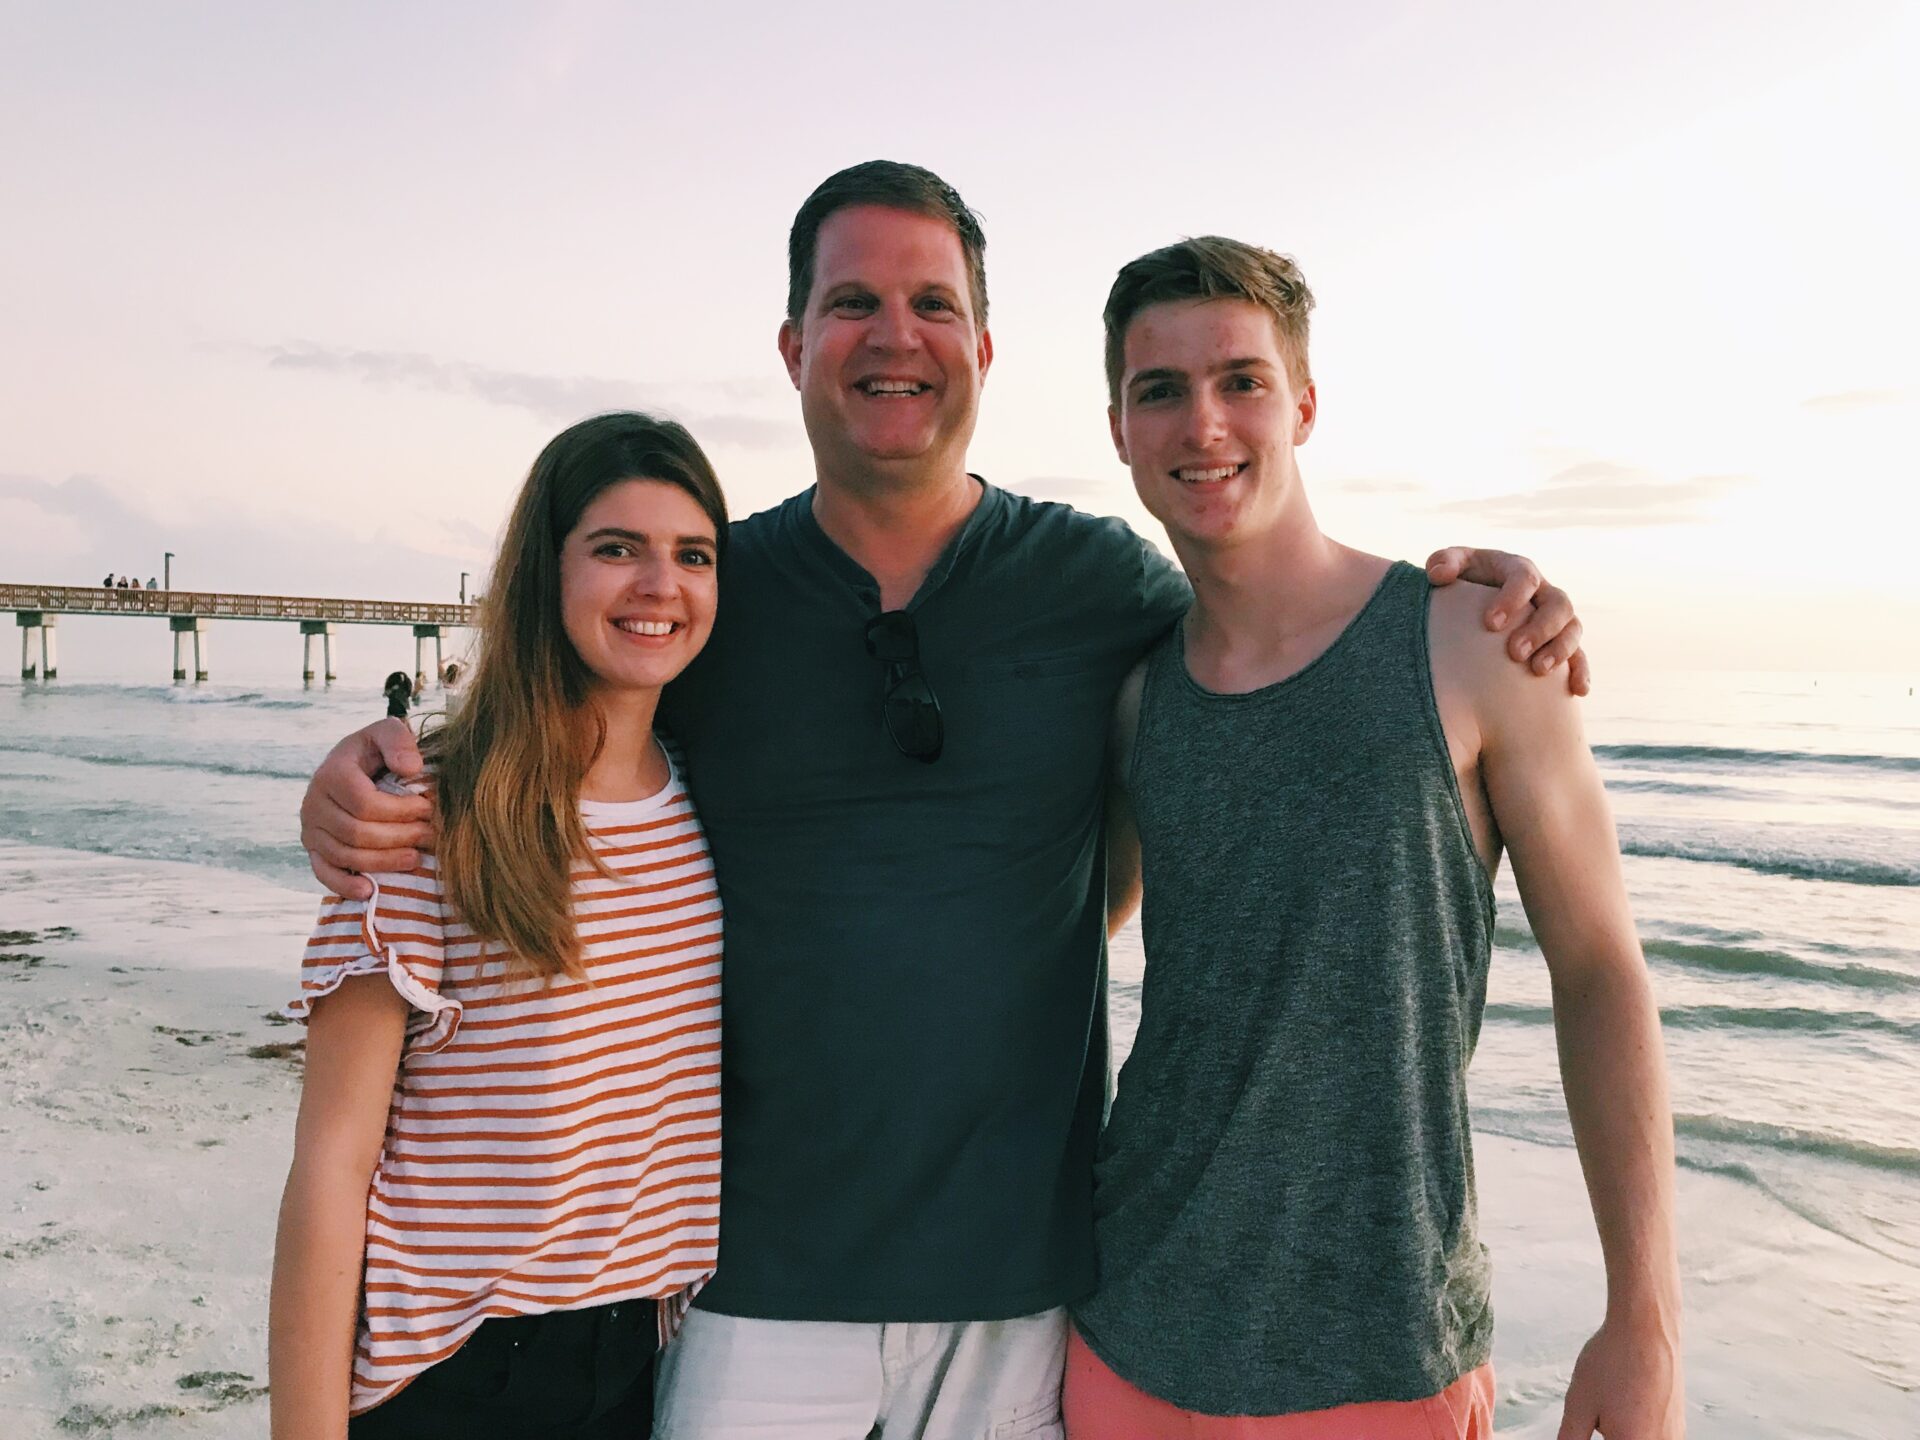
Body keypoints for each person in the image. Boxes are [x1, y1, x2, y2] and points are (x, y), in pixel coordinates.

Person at [299, 162, 1589, 1439]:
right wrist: (367, 775)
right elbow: (555, 735)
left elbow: (1263, 649)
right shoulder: (713, 591)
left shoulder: (1100, 585)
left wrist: (1485, 602)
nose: (895, 336)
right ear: (795, 346)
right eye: (853, 303)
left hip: (1023, 1287)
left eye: (932, 304)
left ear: (983, 346)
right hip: (752, 1282)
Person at [1064, 239, 1682, 1440]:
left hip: (1385, 1355)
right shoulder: (1139, 699)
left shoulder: (1473, 641)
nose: (1204, 422)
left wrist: (1644, 1321)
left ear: (1303, 404)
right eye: (1160, 390)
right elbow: (1095, 919)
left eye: (1242, 380)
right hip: (1124, 1332)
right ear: (1120, 430)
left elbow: (1602, 970)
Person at [269, 412, 728, 1439]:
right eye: (617, 548)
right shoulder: (425, 814)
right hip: (459, 1371)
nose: (661, 584)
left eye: (693, 555)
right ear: (545, 572)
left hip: (648, 1359)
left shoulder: (716, 802)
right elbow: (333, 1162)